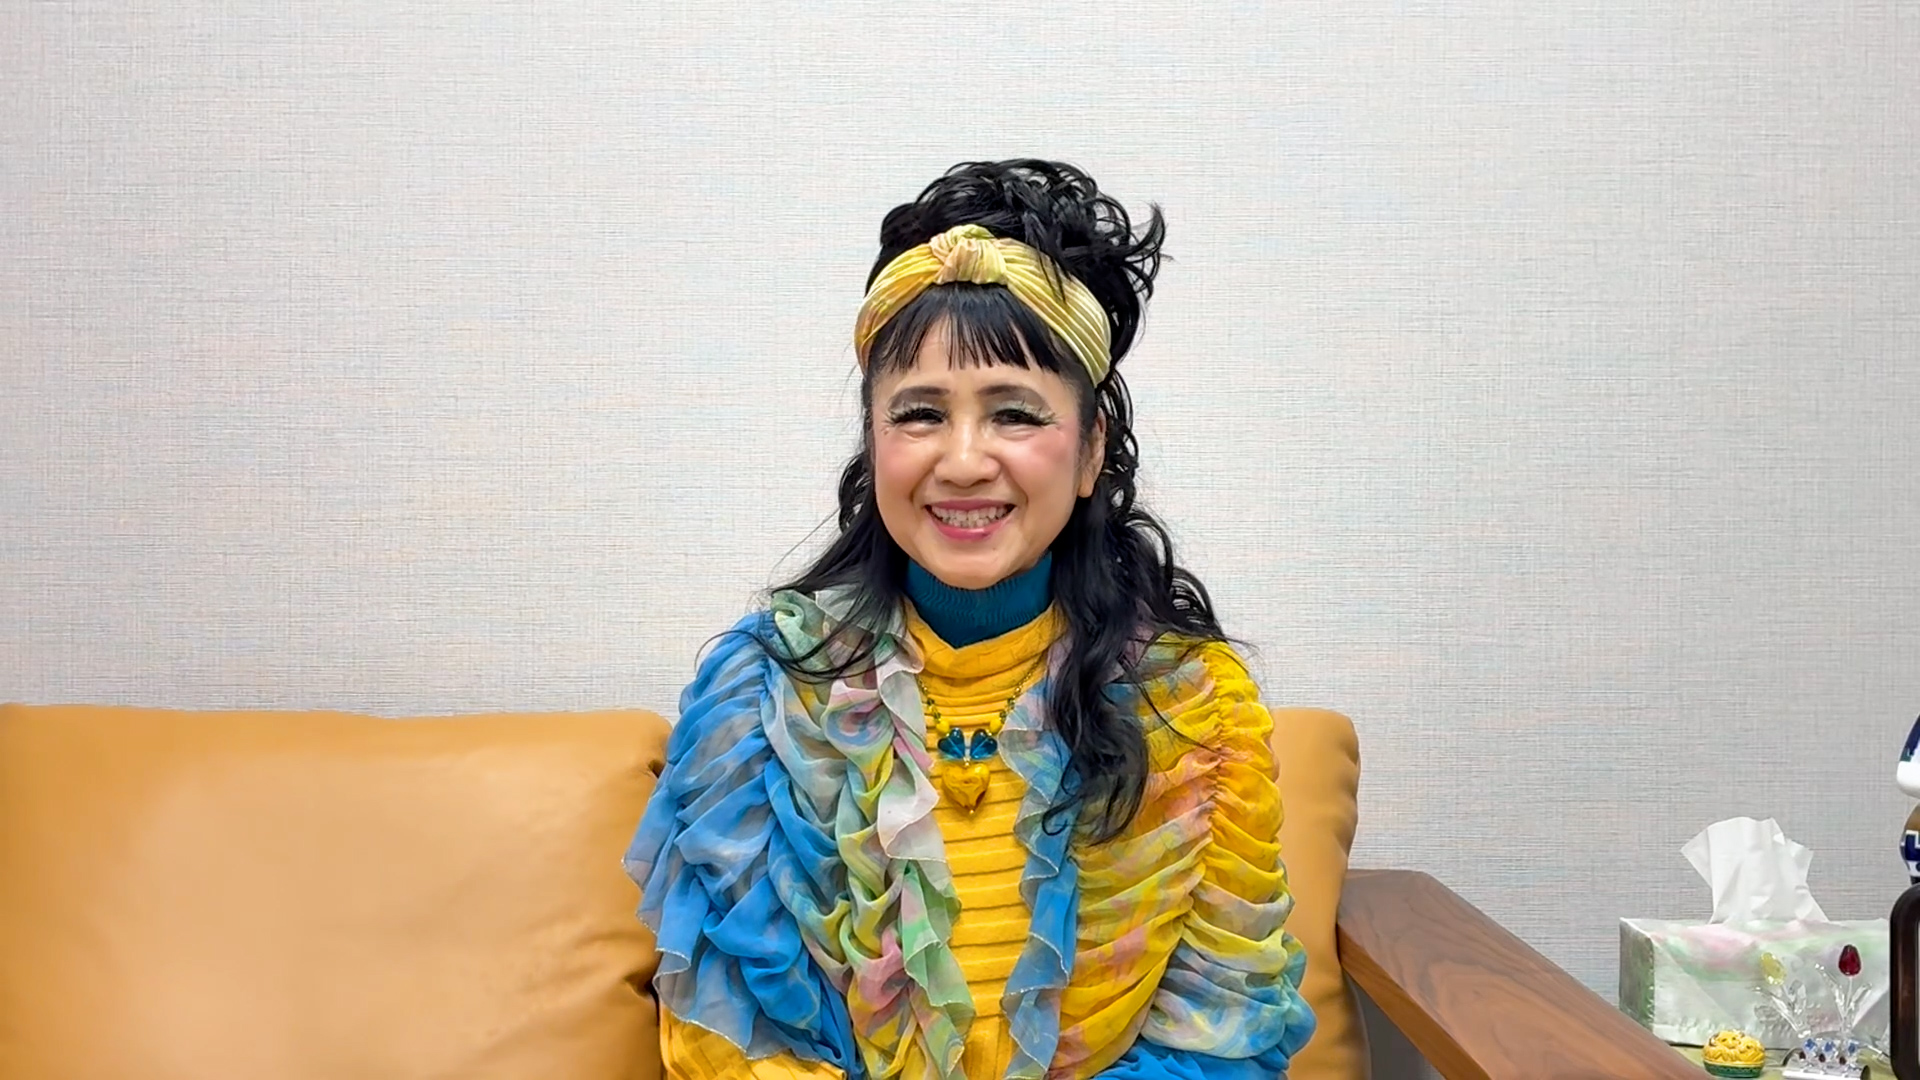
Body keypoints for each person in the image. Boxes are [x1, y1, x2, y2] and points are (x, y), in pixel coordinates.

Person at [625, 160, 1315, 1079]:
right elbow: (727, 1042)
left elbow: (1225, 1035)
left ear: (1091, 451)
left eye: (1014, 414)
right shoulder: (759, 696)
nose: (961, 461)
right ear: (873, 443)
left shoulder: (1196, 712)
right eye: (918, 413)